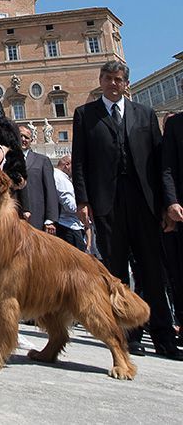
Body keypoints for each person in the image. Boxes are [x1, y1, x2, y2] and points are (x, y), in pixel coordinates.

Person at [72, 61, 181, 360]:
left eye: (118, 79)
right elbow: (79, 161)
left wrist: (164, 205)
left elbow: (160, 163)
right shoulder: (85, 115)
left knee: (152, 272)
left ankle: (163, 337)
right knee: (116, 273)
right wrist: (83, 201)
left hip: (143, 201)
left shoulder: (143, 114)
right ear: (100, 81)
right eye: (107, 79)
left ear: (126, 83)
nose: (112, 84)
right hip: (107, 203)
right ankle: (128, 335)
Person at [161, 110, 183, 346]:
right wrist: (170, 202)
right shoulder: (176, 124)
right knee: (178, 273)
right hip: (180, 210)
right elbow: (167, 168)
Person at [16, 124, 58, 233]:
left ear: (31, 140)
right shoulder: (5, 160)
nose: (23, 139)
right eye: (20, 136)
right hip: (13, 216)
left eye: (26, 137)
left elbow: (50, 190)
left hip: (36, 216)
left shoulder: (42, 160)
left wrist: (50, 219)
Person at [53, 155, 86, 250]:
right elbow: (68, 203)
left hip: (70, 224)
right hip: (69, 226)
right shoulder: (60, 178)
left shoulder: (61, 177)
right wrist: (82, 208)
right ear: (67, 164)